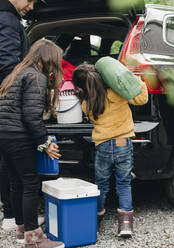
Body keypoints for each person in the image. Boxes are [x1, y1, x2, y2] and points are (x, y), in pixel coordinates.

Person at [0, 39, 65, 248]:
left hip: (4, 135)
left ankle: (21, 229)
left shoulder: (16, 72)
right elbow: (31, 116)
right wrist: (44, 142)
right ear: (48, 59)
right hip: (19, 136)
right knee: (30, 184)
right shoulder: (37, 77)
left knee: (16, 183)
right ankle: (33, 238)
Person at [72, 63, 148, 238]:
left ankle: (96, 221)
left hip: (103, 146)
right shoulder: (117, 93)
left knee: (102, 185)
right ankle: (126, 224)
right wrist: (137, 81)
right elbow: (141, 98)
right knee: (123, 183)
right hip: (122, 143)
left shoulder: (87, 103)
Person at [0, 0, 45, 231]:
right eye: (30, 0)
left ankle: (14, 219)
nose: (31, 6)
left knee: (8, 164)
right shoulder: (7, 19)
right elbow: (7, 65)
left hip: (4, 116)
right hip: (11, 112)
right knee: (26, 178)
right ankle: (27, 229)